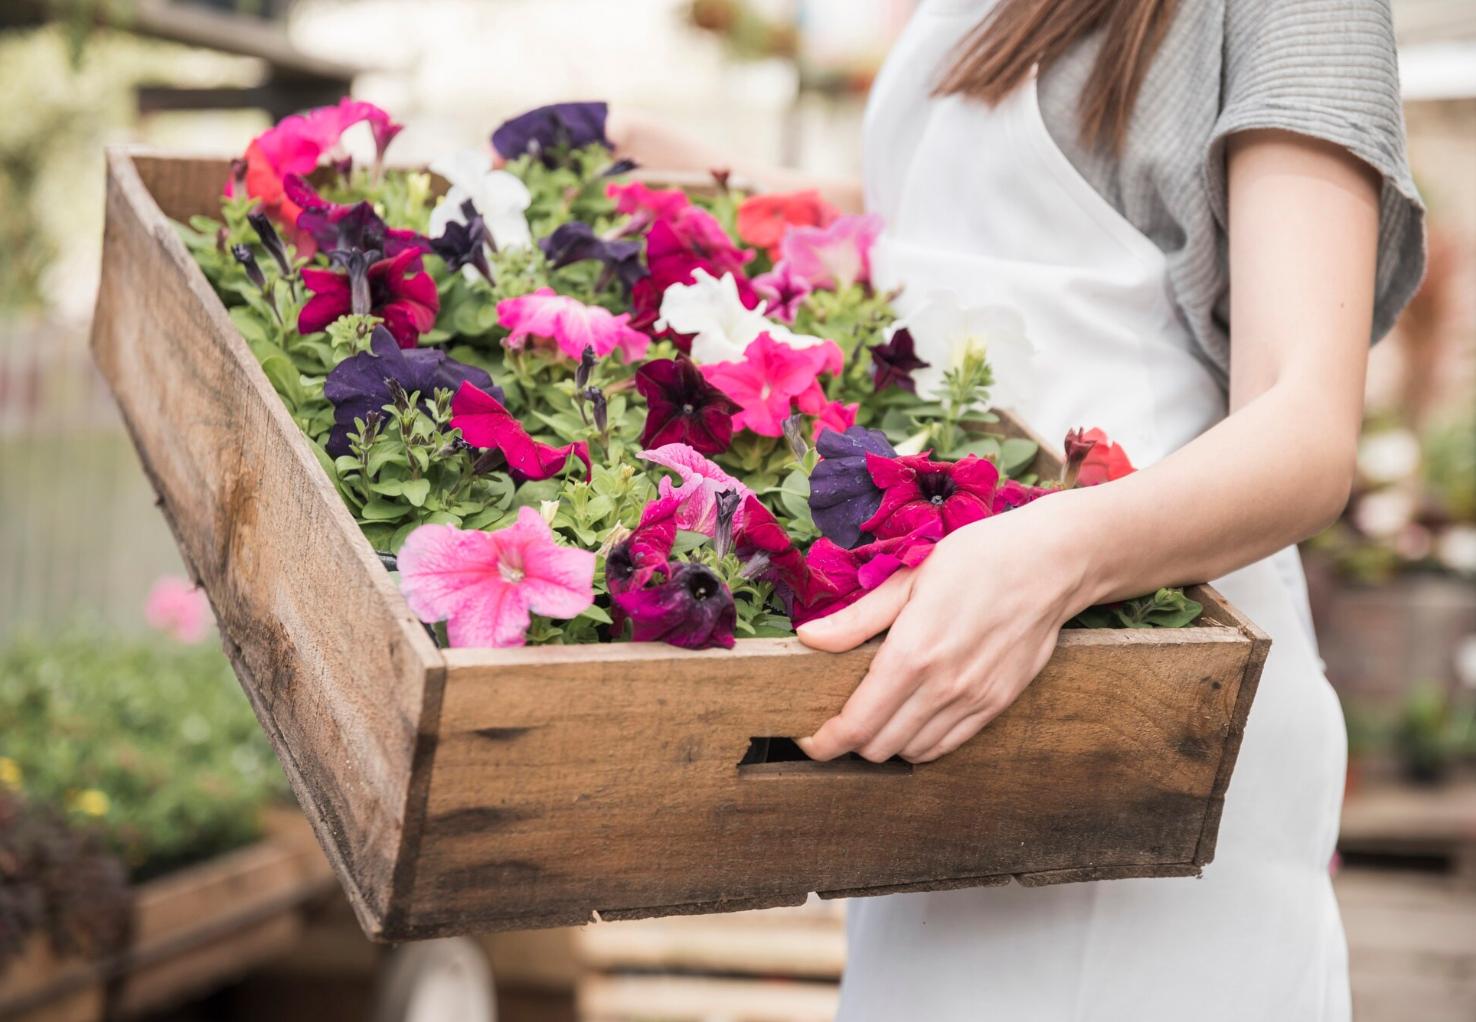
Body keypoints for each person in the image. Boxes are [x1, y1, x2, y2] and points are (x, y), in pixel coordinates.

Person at [610, 0, 1423, 1017]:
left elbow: (1302, 426)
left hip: (1145, 690)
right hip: (960, 680)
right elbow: (961, 238)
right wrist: (720, 190)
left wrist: (1046, 561)